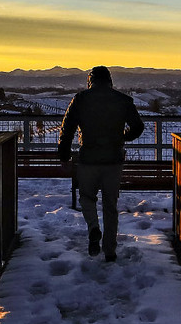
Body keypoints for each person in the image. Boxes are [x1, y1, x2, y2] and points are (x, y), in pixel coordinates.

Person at [57, 66, 145, 261]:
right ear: (109, 80)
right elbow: (138, 127)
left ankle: (93, 228)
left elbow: (67, 129)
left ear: (90, 80)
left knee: (87, 197)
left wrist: (64, 157)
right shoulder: (123, 100)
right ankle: (110, 251)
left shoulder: (81, 99)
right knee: (110, 205)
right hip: (113, 160)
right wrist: (123, 137)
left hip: (88, 160)